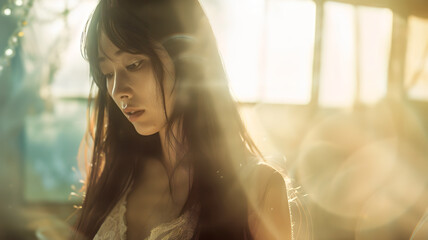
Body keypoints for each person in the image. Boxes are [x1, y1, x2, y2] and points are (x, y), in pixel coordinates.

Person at [72, 0, 292, 239]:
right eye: (107, 73)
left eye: (134, 64)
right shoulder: (119, 178)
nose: (117, 90)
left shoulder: (259, 188)